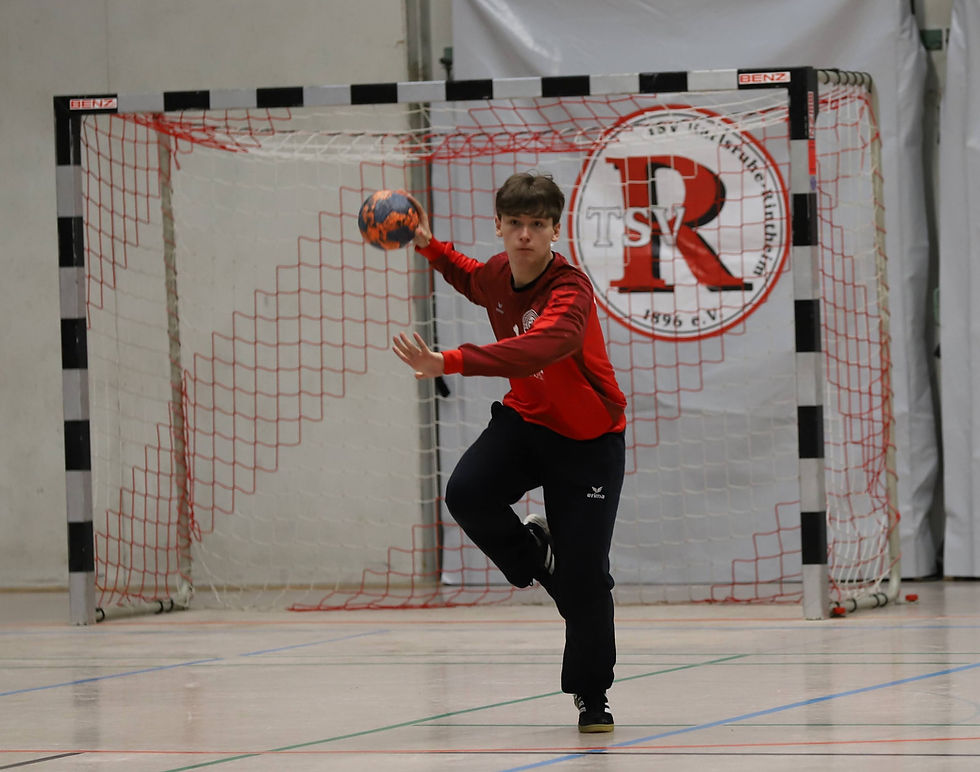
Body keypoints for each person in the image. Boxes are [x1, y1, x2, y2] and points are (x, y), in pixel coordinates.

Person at [392, 172, 627, 733]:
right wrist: (428, 245)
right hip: (527, 420)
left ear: (553, 230)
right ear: (498, 226)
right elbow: (473, 279)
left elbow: (540, 347)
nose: (525, 234)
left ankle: (591, 696)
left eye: (537, 225)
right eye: (515, 223)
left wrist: (448, 361)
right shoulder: (500, 272)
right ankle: (534, 559)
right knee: (467, 492)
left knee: (587, 576)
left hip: (589, 440)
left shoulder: (570, 289)